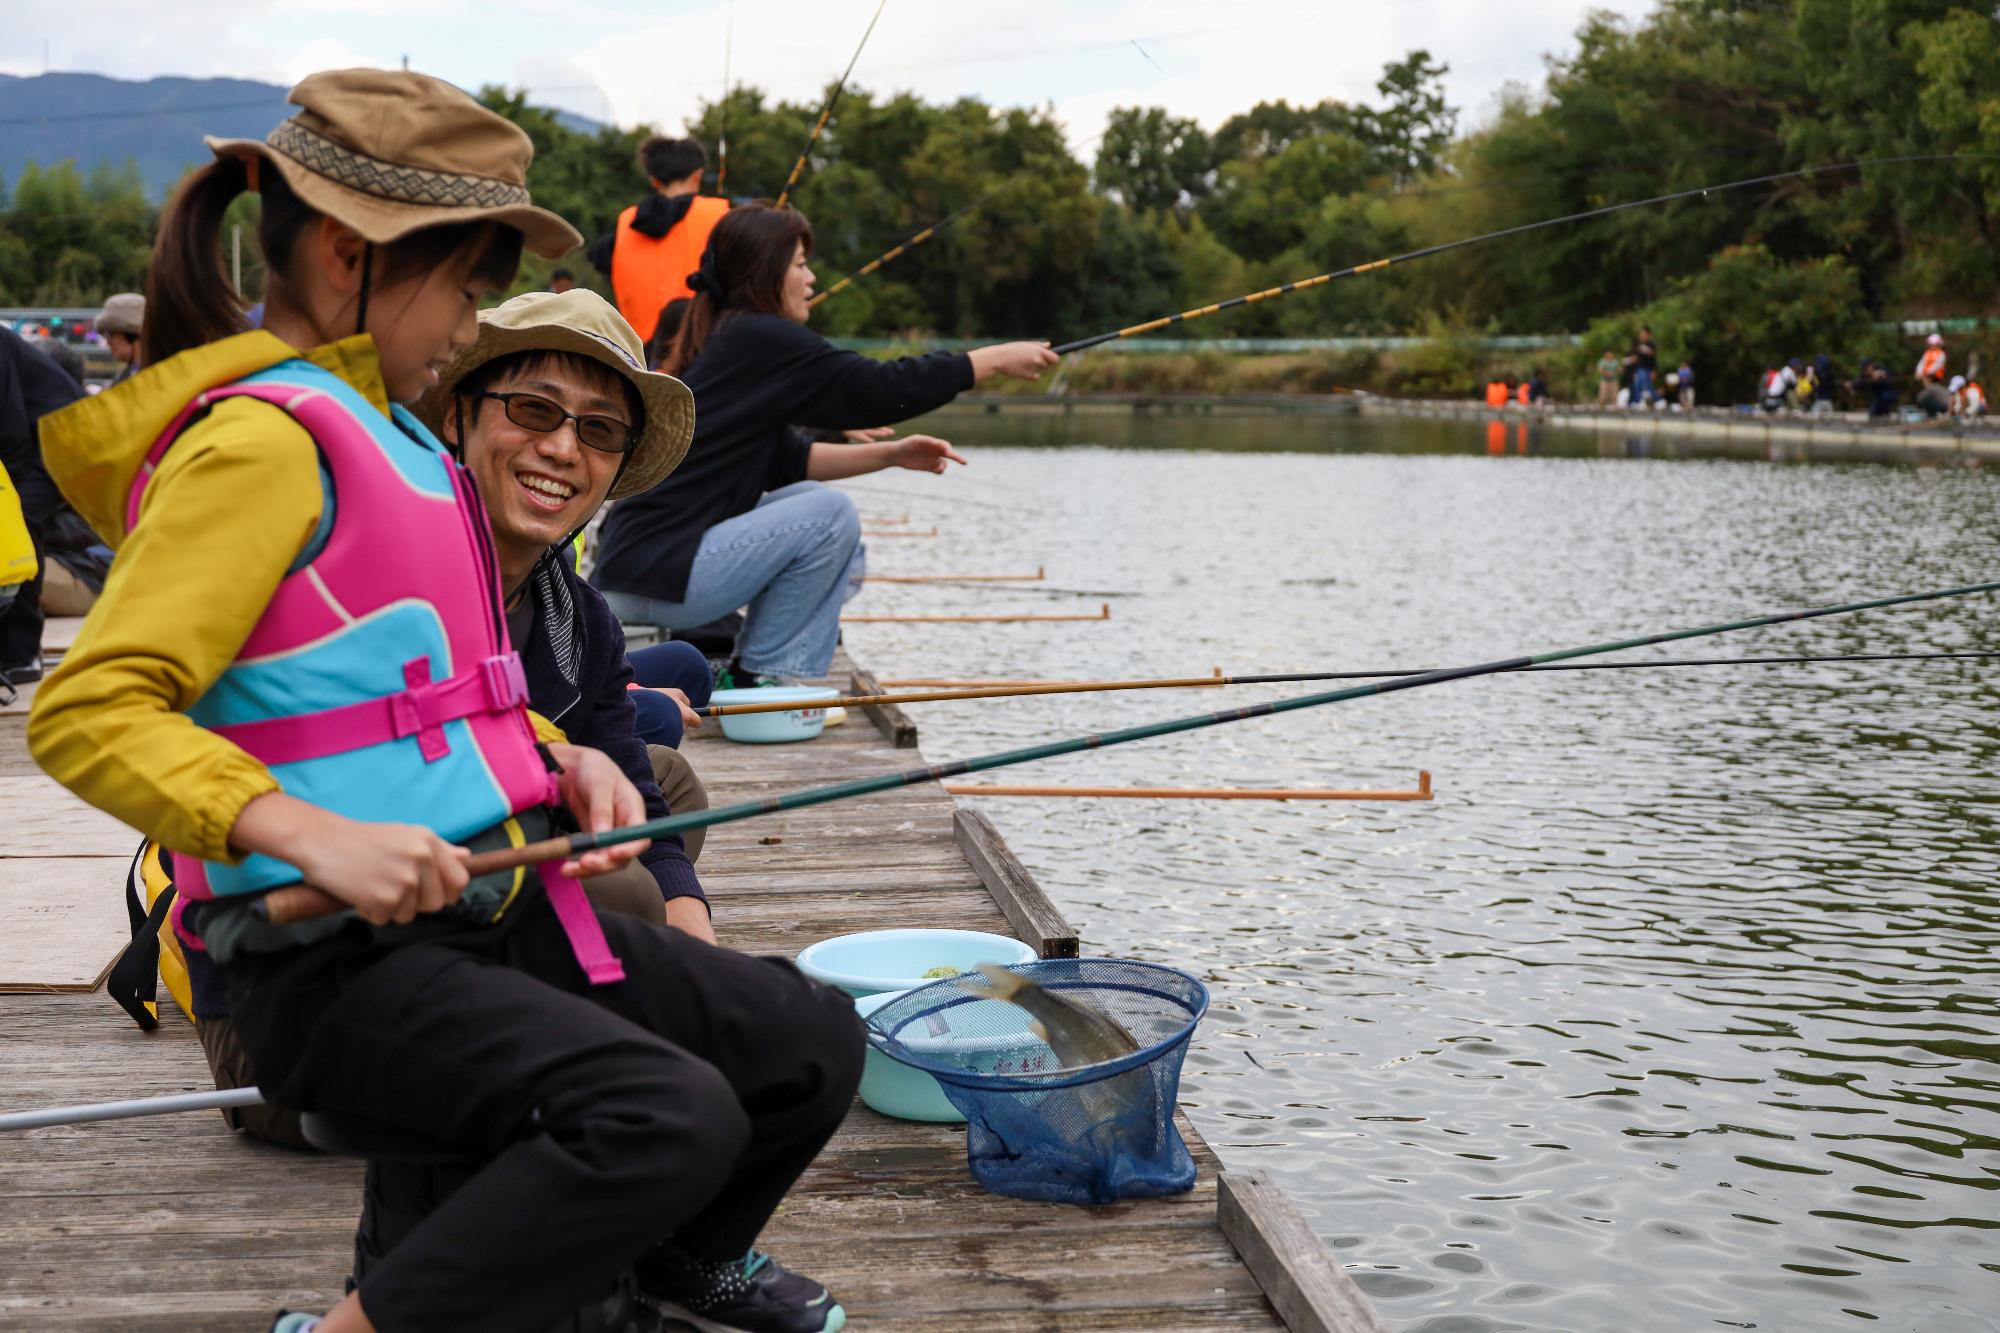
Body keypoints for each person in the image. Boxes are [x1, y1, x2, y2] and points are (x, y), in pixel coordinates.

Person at [29, 71, 861, 1333]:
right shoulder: (262, 445)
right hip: (318, 965)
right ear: (347, 254)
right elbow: (88, 709)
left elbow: (416, 698)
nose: (470, 324)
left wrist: (559, 761)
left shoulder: (403, 446)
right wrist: (311, 835)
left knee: (808, 1036)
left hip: (478, 916)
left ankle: (666, 1266)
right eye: (468, 289)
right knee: (662, 1113)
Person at [592, 202, 1058, 683]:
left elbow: (792, 459)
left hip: (644, 570)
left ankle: (752, 673)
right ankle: (767, 676)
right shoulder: (760, 337)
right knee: (831, 515)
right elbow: (879, 390)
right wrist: (993, 360)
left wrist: (892, 455)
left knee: (812, 500)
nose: (811, 278)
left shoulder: (728, 335)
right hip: (659, 577)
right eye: (800, 264)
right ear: (768, 271)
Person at [418, 287, 717, 936]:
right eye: (533, 409)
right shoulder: (387, 568)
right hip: (378, 886)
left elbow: (637, 788)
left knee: (667, 791)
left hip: (509, 824)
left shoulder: (579, 615)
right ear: (457, 414)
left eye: (599, 429)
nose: (561, 448)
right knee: (625, 889)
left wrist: (702, 946)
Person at [0, 324, 84, 682]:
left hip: (67, 441)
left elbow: (12, 434)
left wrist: (7, 501)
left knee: (17, 526)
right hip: (41, 441)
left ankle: (20, 655)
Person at [587, 136, 729, 344]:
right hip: (703, 346)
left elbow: (597, 258)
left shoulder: (625, 226)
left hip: (639, 353)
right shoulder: (720, 217)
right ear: (697, 176)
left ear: (653, 179)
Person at [94, 292, 145, 382]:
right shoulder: (127, 375)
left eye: (111, 334)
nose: (108, 342)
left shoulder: (154, 376)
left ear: (131, 334)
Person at [1626, 327, 1658, 407]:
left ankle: (1653, 402)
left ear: (1648, 335)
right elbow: (1635, 358)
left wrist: (1654, 371)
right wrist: (1633, 371)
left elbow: (1654, 358)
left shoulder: (1652, 345)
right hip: (1638, 369)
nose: (1642, 336)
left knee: (1647, 386)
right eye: (1641, 334)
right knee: (1637, 385)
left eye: (1644, 334)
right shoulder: (1637, 344)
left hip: (1648, 369)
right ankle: (1638, 402)